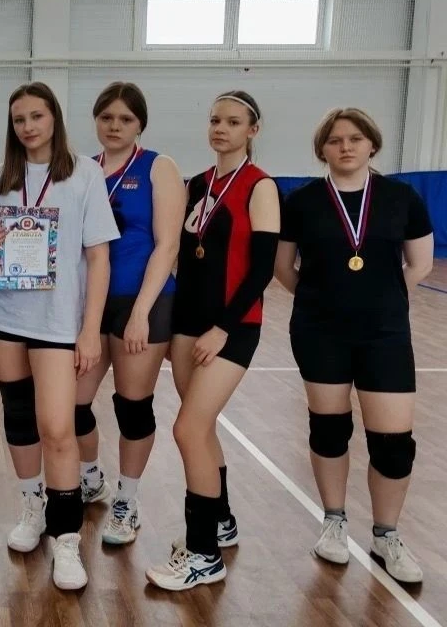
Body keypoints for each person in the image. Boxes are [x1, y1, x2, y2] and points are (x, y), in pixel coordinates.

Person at [275, 107, 432, 584]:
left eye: (356, 138)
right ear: (322, 149)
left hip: (385, 333)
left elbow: (420, 264)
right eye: (335, 139)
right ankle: (334, 523)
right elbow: (283, 268)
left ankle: (386, 535)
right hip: (319, 332)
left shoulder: (402, 198)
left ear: (372, 145)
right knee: (329, 430)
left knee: (394, 445)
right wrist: (321, 301)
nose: (346, 146)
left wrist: (382, 298)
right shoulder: (302, 201)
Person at [0, 82, 118, 590]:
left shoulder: (84, 174)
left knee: (58, 428)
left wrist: (90, 329)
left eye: (36, 116)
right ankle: (32, 506)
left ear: (54, 118)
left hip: (58, 321)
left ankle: (66, 538)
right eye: (19, 119)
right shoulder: (1, 178)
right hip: (4, 313)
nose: (28, 126)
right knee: (18, 417)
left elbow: (99, 257)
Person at [145, 91, 280, 591]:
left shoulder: (260, 186)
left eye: (233, 122)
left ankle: (203, 554)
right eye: (215, 120)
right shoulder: (198, 184)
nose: (221, 128)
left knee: (188, 428)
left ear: (253, 130)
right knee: (200, 429)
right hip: (187, 322)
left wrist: (223, 326)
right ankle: (220, 520)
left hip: (232, 326)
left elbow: (261, 269)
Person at [76, 82, 184, 544]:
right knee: (73, 403)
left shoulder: (159, 167)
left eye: (125, 119)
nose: (114, 126)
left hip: (143, 301)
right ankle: (90, 477)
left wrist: (141, 311)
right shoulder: (82, 169)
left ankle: (128, 500)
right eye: (106, 118)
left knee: (131, 405)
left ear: (140, 124)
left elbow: (168, 245)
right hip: (92, 303)